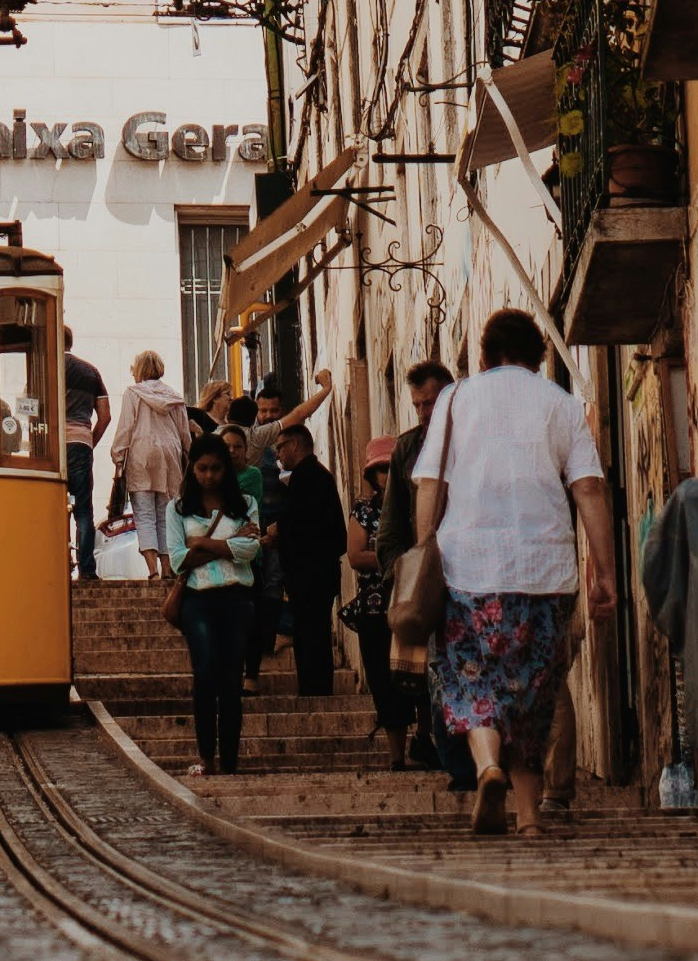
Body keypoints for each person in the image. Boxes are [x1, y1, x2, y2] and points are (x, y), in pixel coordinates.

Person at [406, 311, 619, 839]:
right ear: (539, 356)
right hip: (545, 572)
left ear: (483, 357)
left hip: (467, 569)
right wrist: (606, 572)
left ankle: (488, 768)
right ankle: (527, 818)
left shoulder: (456, 399)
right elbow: (589, 490)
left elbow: (429, 483)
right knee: (532, 695)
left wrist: (420, 552)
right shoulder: (561, 404)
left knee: (469, 678)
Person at [156, 441, 270, 775]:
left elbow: (250, 551)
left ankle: (230, 763)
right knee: (205, 674)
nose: (209, 475)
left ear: (226, 469)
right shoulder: (177, 509)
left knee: (232, 682)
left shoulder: (246, 503)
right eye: (202, 468)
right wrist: (230, 545)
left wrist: (202, 543)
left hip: (237, 599)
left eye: (216, 468)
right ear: (192, 468)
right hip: (197, 599)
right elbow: (178, 558)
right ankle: (206, 757)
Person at [367, 358, 451, 764]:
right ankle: (446, 754)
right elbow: (391, 524)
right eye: (417, 405)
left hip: (472, 571)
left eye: (430, 403)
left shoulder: (470, 439)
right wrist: (402, 573)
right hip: (426, 579)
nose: (423, 413)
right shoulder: (407, 448)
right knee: (429, 666)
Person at [263, 422, 349, 700]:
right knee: (312, 634)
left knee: (311, 635)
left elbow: (307, 521)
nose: (277, 454)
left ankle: (315, 691)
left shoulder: (308, 476)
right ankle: (315, 689)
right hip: (315, 573)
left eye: (280, 447)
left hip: (311, 573)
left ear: (295, 445)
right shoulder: (312, 475)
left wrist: (279, 529)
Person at [105, 350, 195, 560]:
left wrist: (117, 456)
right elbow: (184, 432)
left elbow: (126, 427)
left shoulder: (133, 393)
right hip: (170, 455)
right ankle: (166, 567)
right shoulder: (174, 396)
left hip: (141, 454)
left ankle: (152, 570)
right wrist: (190, 455)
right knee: (165, 514)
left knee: (144, 514)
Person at [60, 342, 110, 579]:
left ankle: (57, 564)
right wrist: (90, 441)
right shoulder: (91, 371)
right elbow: (105, 415)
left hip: (53, 447)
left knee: (54, 509)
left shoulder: (44, 366)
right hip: (81, 442)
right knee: (83, 510)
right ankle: (87, 569)